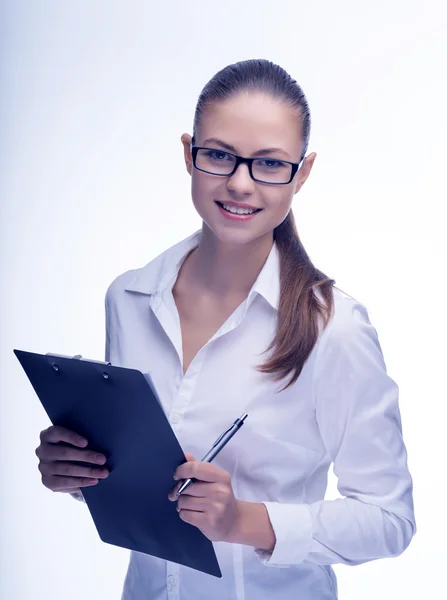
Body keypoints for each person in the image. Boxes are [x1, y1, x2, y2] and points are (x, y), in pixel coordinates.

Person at [34, 59, 416, 600]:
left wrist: (244, 522)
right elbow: (136, 474)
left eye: (270, 164)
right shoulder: (128, 298)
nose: (240, 183)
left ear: (302, 174)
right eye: (218, 155)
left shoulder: (335, 329)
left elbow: (389, 519)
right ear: (189, 153)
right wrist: (77, 471)